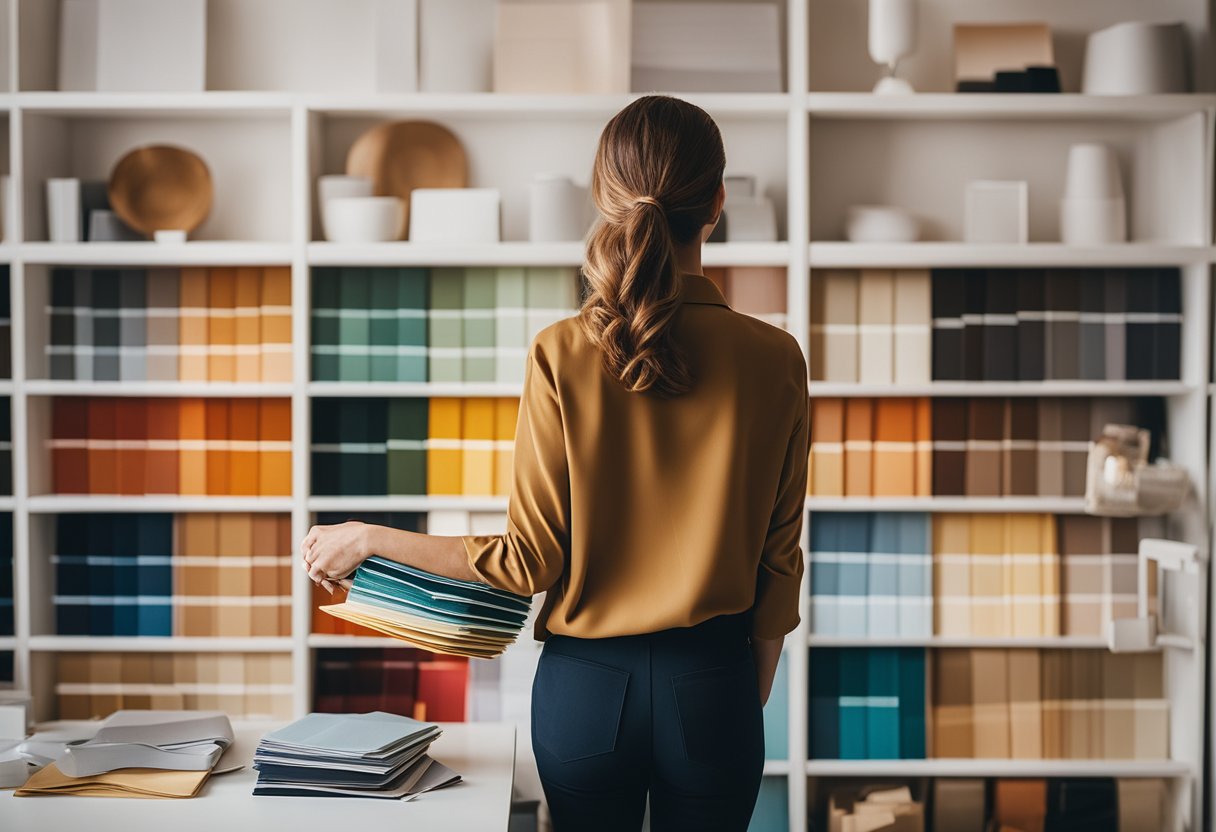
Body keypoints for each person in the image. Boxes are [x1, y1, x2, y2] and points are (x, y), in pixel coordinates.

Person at [301, 94, 807, 832]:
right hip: (714, 682)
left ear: (604, 202)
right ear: (718, 202)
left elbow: (527, 561)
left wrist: (371, 538)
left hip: (586, 693)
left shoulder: (560, 351)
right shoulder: (775, 358)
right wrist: (739, 690)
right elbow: (779, 558)